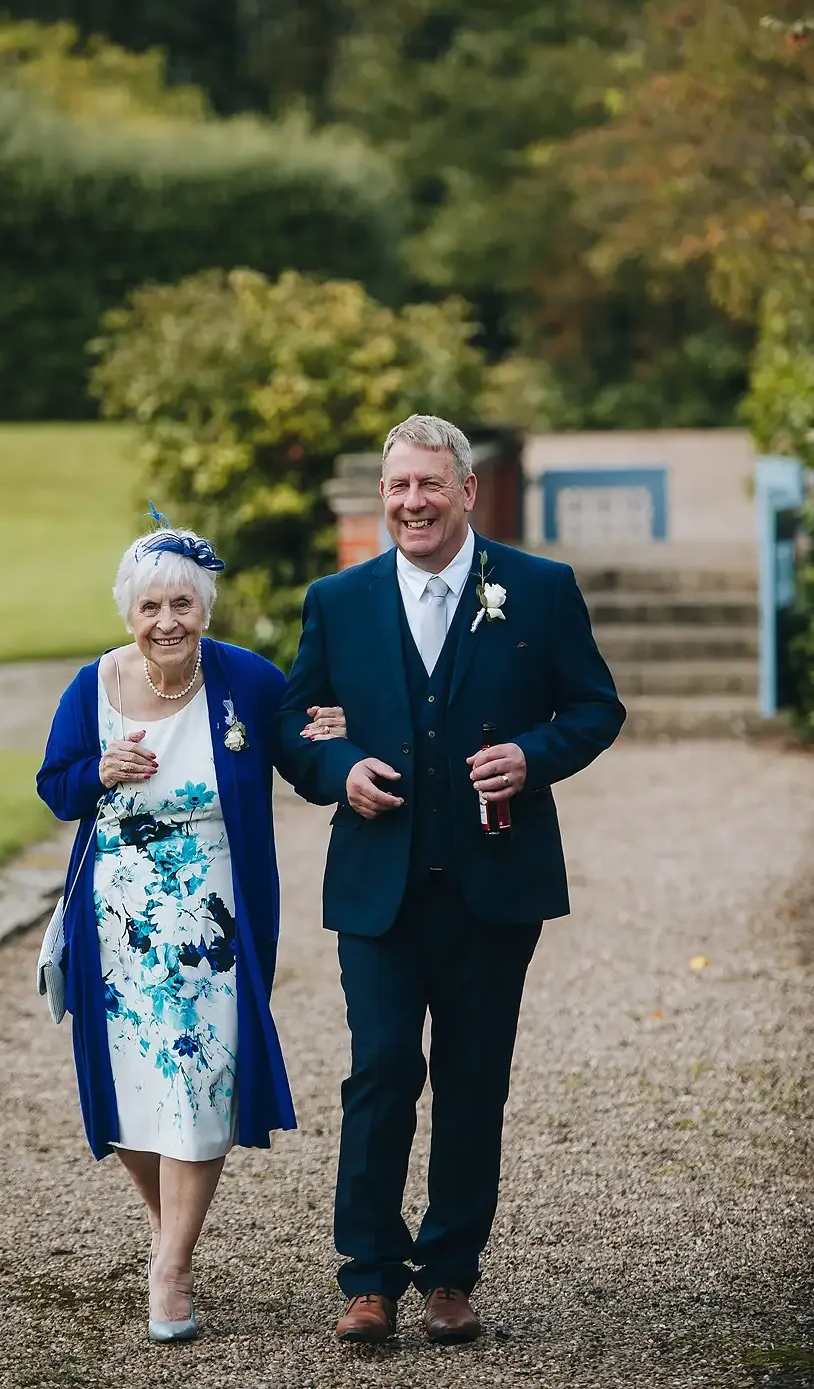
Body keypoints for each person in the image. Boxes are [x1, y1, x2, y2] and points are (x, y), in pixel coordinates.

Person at [278, 414, 626, 1346]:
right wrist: (338, 770)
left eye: (430, 484)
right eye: (398, 486)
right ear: (383, 494)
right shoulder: (336, 601)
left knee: (474, 1080)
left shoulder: (539, 589)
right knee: (381, 1073)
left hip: (493, 884)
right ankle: (368, 1278)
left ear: (468, 490)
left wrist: (532, 754)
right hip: (378, 887)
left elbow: (596, 706)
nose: (412, 502)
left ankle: (451, 1274)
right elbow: (294, 725)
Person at [36, 525, 343, 1344]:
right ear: (127, 613)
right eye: (149, 606)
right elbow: (54, 787)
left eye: (182, 603)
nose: (166, 620)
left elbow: (302, 756)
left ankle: (169, 1268)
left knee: (201, 1088)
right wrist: (97, 771)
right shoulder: (92, 685)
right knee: (133, 1097)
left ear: (204, 608)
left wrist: (339, 748)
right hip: (117, 923)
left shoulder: (244, 679)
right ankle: (171, 1232)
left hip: (214, 922)